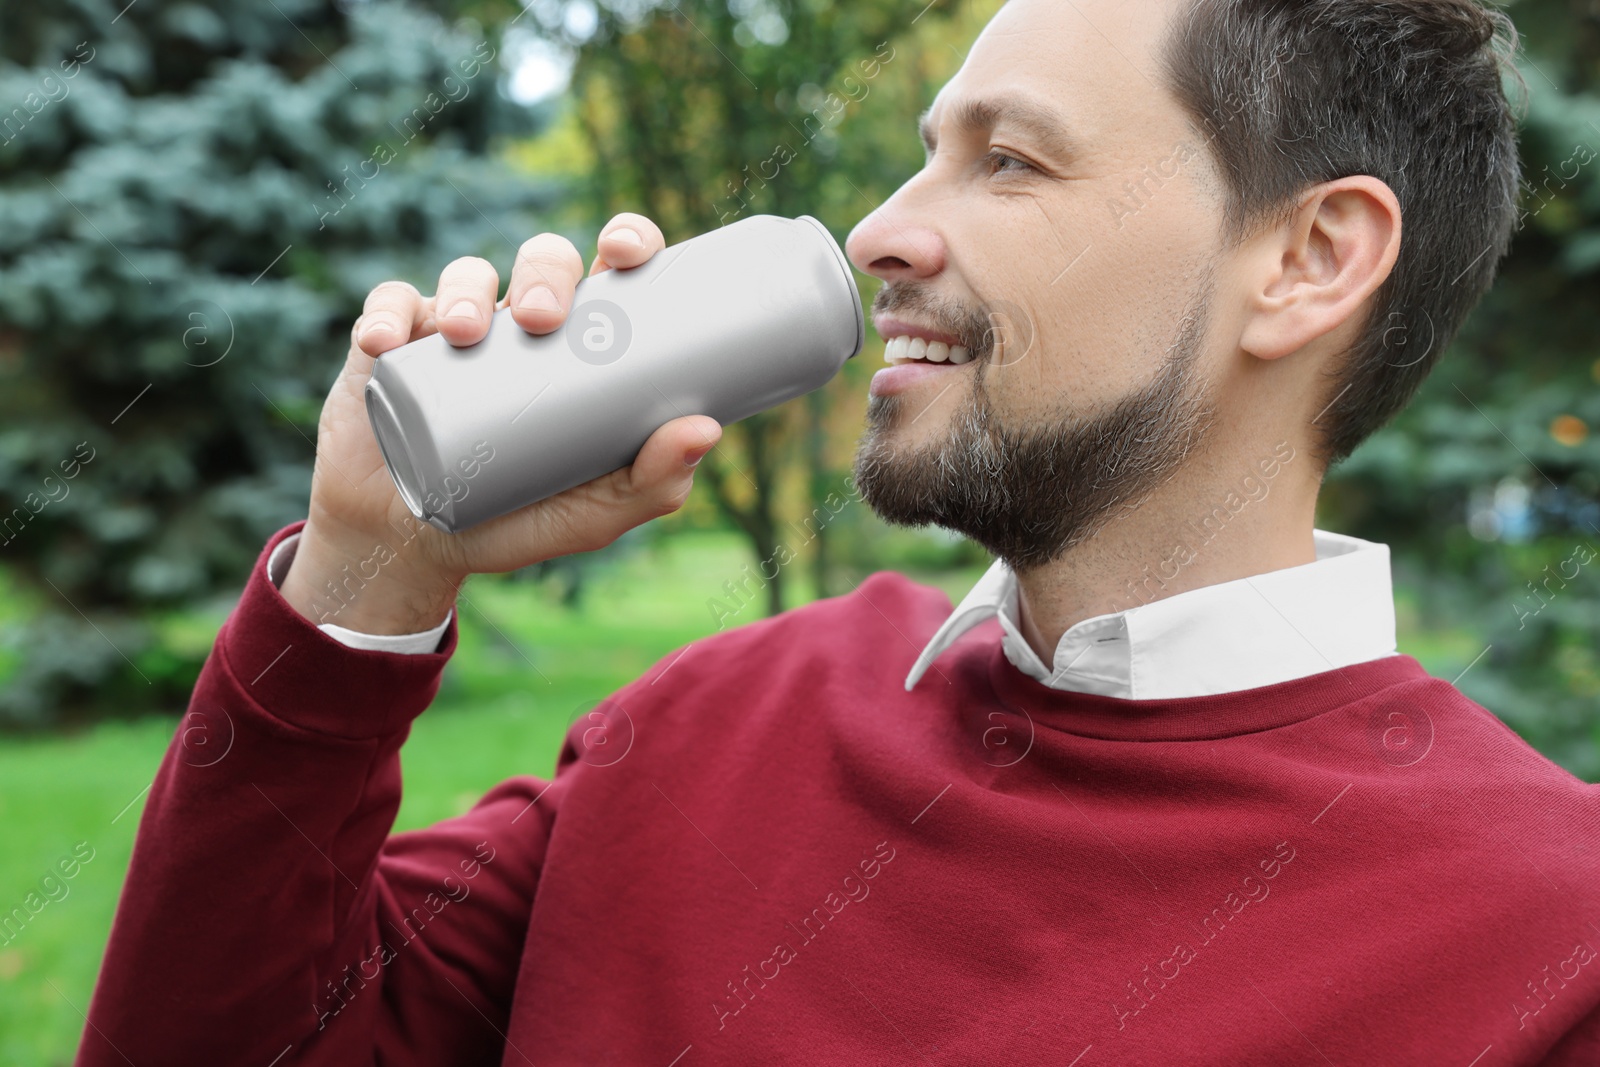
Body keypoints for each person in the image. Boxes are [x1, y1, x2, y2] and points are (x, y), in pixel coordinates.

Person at [78, 0, 1600, 1063]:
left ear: (1310, 258)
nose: (881, 227)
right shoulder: (705, 724)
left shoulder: (1551, 943)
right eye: (928, 149)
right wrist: (366, 574)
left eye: (1010, 160)